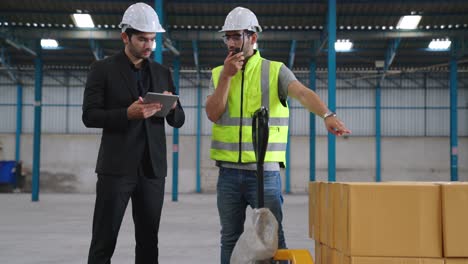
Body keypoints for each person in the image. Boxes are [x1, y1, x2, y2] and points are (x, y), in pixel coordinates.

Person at [205, 6, 351, 263]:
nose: (231, 42)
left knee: (273, 238)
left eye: (236, 36)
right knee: (229, 238)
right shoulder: (219, 73)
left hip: (265, 173)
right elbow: (213, 113)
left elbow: (303, 93)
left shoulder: (275, 71)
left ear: (253, 37)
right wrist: (227, 77)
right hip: (228, 174)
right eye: (227, 36)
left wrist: (327, 115)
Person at [82, 2, 185, 264]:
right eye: (142, 39)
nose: (149, 45)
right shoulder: (102, 69)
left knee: (149, 242)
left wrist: (171, 107)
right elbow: (89, 116)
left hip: (152, 171)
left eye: (152, 39)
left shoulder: (162, 73)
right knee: (104, 240)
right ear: (125, 36)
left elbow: (179, 119)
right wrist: (126, 114)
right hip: (116, 168)